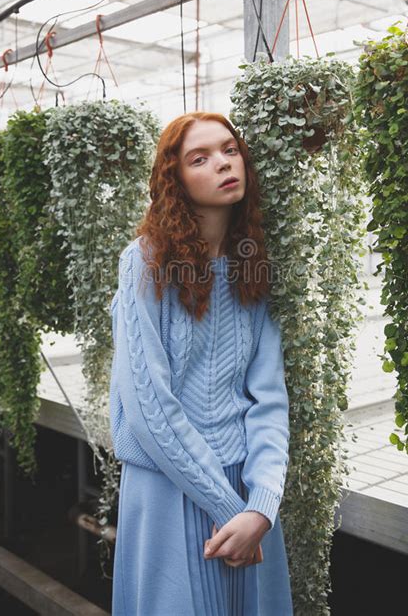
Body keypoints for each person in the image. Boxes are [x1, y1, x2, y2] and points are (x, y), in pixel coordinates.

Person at [109, 112, 293, 615]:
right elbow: (149, 409)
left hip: (245, 492)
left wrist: (262, 505)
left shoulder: (252, 262)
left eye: (230, 150)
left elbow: (269, 401)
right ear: (175, 179)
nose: (223, 163)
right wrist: (233, 511)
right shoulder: (145, 263)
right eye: (201, 157)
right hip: (170, 491)